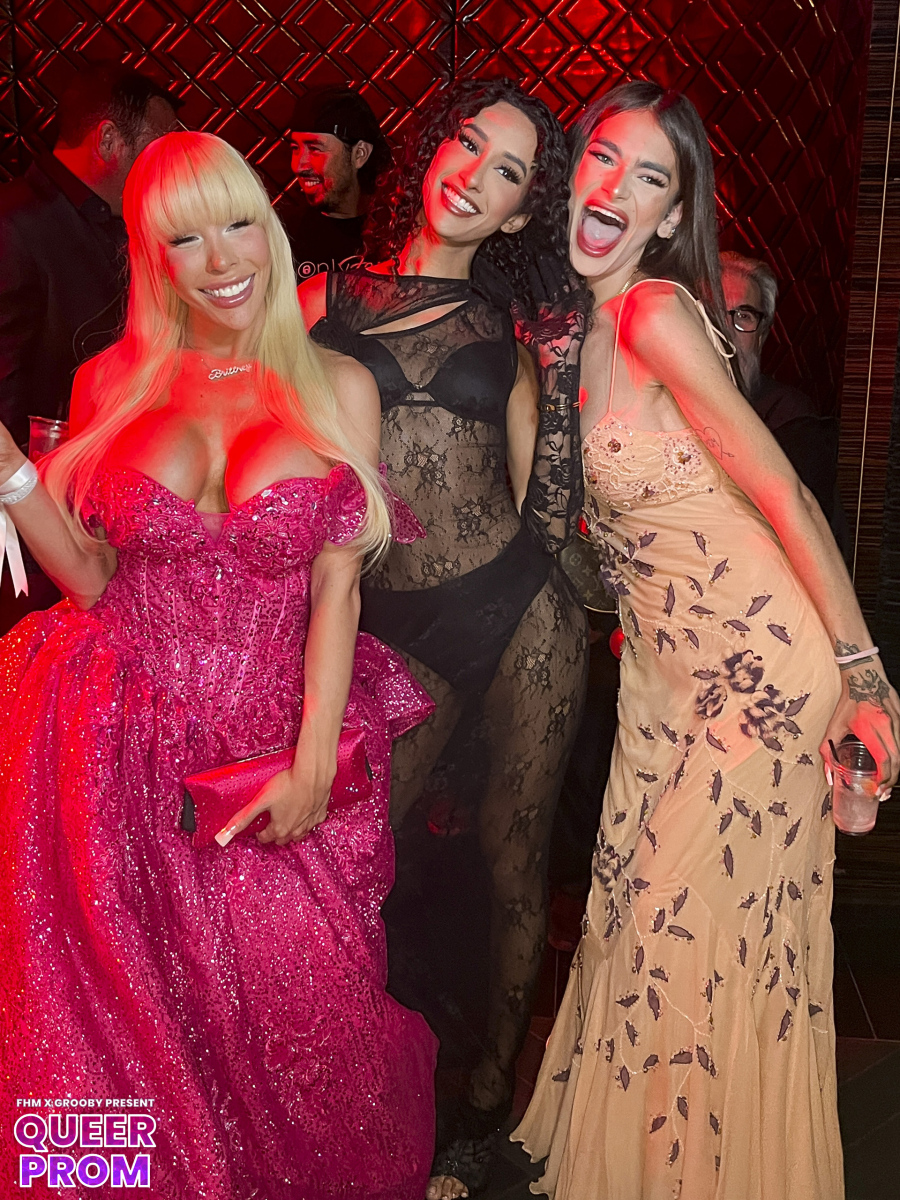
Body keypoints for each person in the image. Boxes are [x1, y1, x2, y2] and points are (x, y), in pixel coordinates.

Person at [0, 130, 438, 1200]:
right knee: (120, 1032)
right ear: (151, 258)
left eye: (239, 222)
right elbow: (91, 579)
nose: (222, 258)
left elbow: (338, 590)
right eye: (184, 239)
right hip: (111, 745)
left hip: (263, 746)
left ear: (272, 226)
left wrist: (312, 765)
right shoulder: (108, 380)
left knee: (301, 1017)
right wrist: (9, 472)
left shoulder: (339, 383)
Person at [513, 82, 900, 1200]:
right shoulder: (572, 333)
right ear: (570, 174)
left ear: (671, 218)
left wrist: (862, 672)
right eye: (603, 158)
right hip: (661, 689)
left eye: (650, 178)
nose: (615, 189)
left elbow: (783, 494)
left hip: (759, 676)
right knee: (644, 938)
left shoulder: (655, 315)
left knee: (680, 939)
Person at [300, 77, 589, 1199]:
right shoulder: (321, 295)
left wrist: (558, 373)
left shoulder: (512, 331)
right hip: (389, 621)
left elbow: (543, 508)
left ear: (520, 213)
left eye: (506, 170)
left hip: (517, 616)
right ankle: (345, 1089)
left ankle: (484, 1104)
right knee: (352, 864)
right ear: (432, 148)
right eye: (467, 142)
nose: (474, 173)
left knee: (517, 865)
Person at [0, 61, 179, 632]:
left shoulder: (125, 222)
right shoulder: (15, 225)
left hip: (101, 521)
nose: (169, 161)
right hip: (31, 535)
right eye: (159, 143)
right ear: (108, 142)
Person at [719, 250, 851, 556]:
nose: (725, 331)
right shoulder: (655, 404)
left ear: (762, 335)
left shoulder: (790, 421)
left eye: (743, 316)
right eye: (712, 313)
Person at [281, 85, 392, 280]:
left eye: (315, 149)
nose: (299, 166)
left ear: (359, 154)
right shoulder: (280, 234)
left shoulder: (397, 233)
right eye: (295, 148)